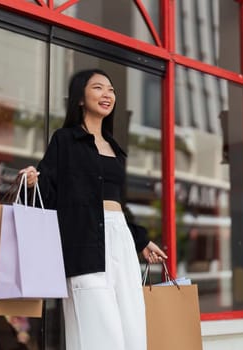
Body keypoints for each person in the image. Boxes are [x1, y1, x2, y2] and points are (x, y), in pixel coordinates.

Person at [19, 68, 167, 350]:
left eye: (111, 90)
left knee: (132, 329)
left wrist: (141, 240)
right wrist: (31, 183)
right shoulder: (65, 140)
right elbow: (47, 195)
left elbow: (119, 205)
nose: (107, 94)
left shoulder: (115, 149)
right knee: (98, 335)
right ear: (79, 98)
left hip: (120, 239)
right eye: (98, 88)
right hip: (83, 242)